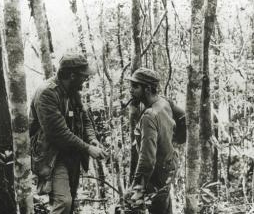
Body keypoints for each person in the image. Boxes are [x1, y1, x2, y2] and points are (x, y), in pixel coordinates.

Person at [29, 53, 107, 214]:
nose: (85, 81)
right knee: (63, 202)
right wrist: (87, 148)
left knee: (70, 202)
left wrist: (92, 139)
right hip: (52, 156)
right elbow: (58, 133)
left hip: (72, 154)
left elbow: (85, 118)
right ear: (72, 75)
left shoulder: (72, 91)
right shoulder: (47, 93)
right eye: (83, 77)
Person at [126, 67, 181, 214]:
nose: (131, 90)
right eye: (131, 85)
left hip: (157, 174)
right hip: (169, 166)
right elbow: (182, 117)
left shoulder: (149, 116)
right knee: (164, 207)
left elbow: (147, 158)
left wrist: (137, 187)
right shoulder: (163, 102)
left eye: (135, 86)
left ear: (148, 89)